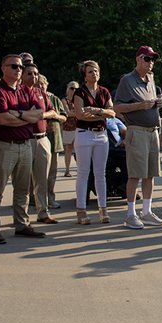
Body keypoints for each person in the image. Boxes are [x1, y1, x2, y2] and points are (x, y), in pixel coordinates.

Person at [0, 54, 44, 245]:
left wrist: (16, 114)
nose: (19, 70)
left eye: (20, 67)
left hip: (25, 145)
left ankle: (22, 224)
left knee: (23, 189)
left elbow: (39, 114)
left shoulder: (26, 90)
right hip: (3, 146)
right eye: (15, 67)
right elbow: (2, 119)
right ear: (3, 68)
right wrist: (26, 117)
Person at [113, 46, 162, 230]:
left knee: (150, 174)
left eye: (153, 59)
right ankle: (130, 214)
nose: (151, 63)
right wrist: (140, 105)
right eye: (147, 58)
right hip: (137, 131)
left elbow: (150, 104)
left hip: (153, 131)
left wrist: (157, 103)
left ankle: (147, 211)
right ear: (138, 59)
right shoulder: (127, 80)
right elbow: (117, 107)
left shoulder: (150, 78)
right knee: (135, 174)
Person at [72, 60, 116, 225]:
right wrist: (102, 114)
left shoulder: (104, 91)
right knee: (83, 173)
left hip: (101, 135)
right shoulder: (79, 92)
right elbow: (80, 115)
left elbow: (112, 113)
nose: (94, 74)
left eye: (96, 71)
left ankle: (103, 209)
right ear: (84, 74)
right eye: (90, 71)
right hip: (84, 134)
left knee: (101, 173)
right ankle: (81, 210)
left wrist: (97, 111)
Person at [21, 63, 59, 227]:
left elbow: (53, 112)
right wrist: (30, 115)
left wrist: (40, 115)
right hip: (25, 139)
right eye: (29, 73)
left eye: (36, 74)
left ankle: (43, 212)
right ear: (22, 75)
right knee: (22, 181)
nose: (33, 77)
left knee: (41, 179)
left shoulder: (41, 93)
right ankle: (21, 217)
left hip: (43, 139)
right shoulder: (17, 92)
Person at [39, 75, 66, 210]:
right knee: (37, 173)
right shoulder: (32, 97)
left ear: (47, 84)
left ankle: (51, 198)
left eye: (43, 83)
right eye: (38, 84)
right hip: (38, 138)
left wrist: (55, 116)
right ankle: (35, 199)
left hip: (54, 139)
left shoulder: (54, 99)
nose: (41, 86)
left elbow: (64, 117)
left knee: (52, 173)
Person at [62, 81, 78, 177]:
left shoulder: (79, 100)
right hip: (68, 127)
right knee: (68, 149)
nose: (74, 90)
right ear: (68, 89)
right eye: (72, 88)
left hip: (79, 126)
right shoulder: (64, 100)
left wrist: (74, 112)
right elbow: (67, 113)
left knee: (79, 149)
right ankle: (67, 170)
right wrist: (78, 113)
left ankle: (79, 169)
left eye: (76, 88)